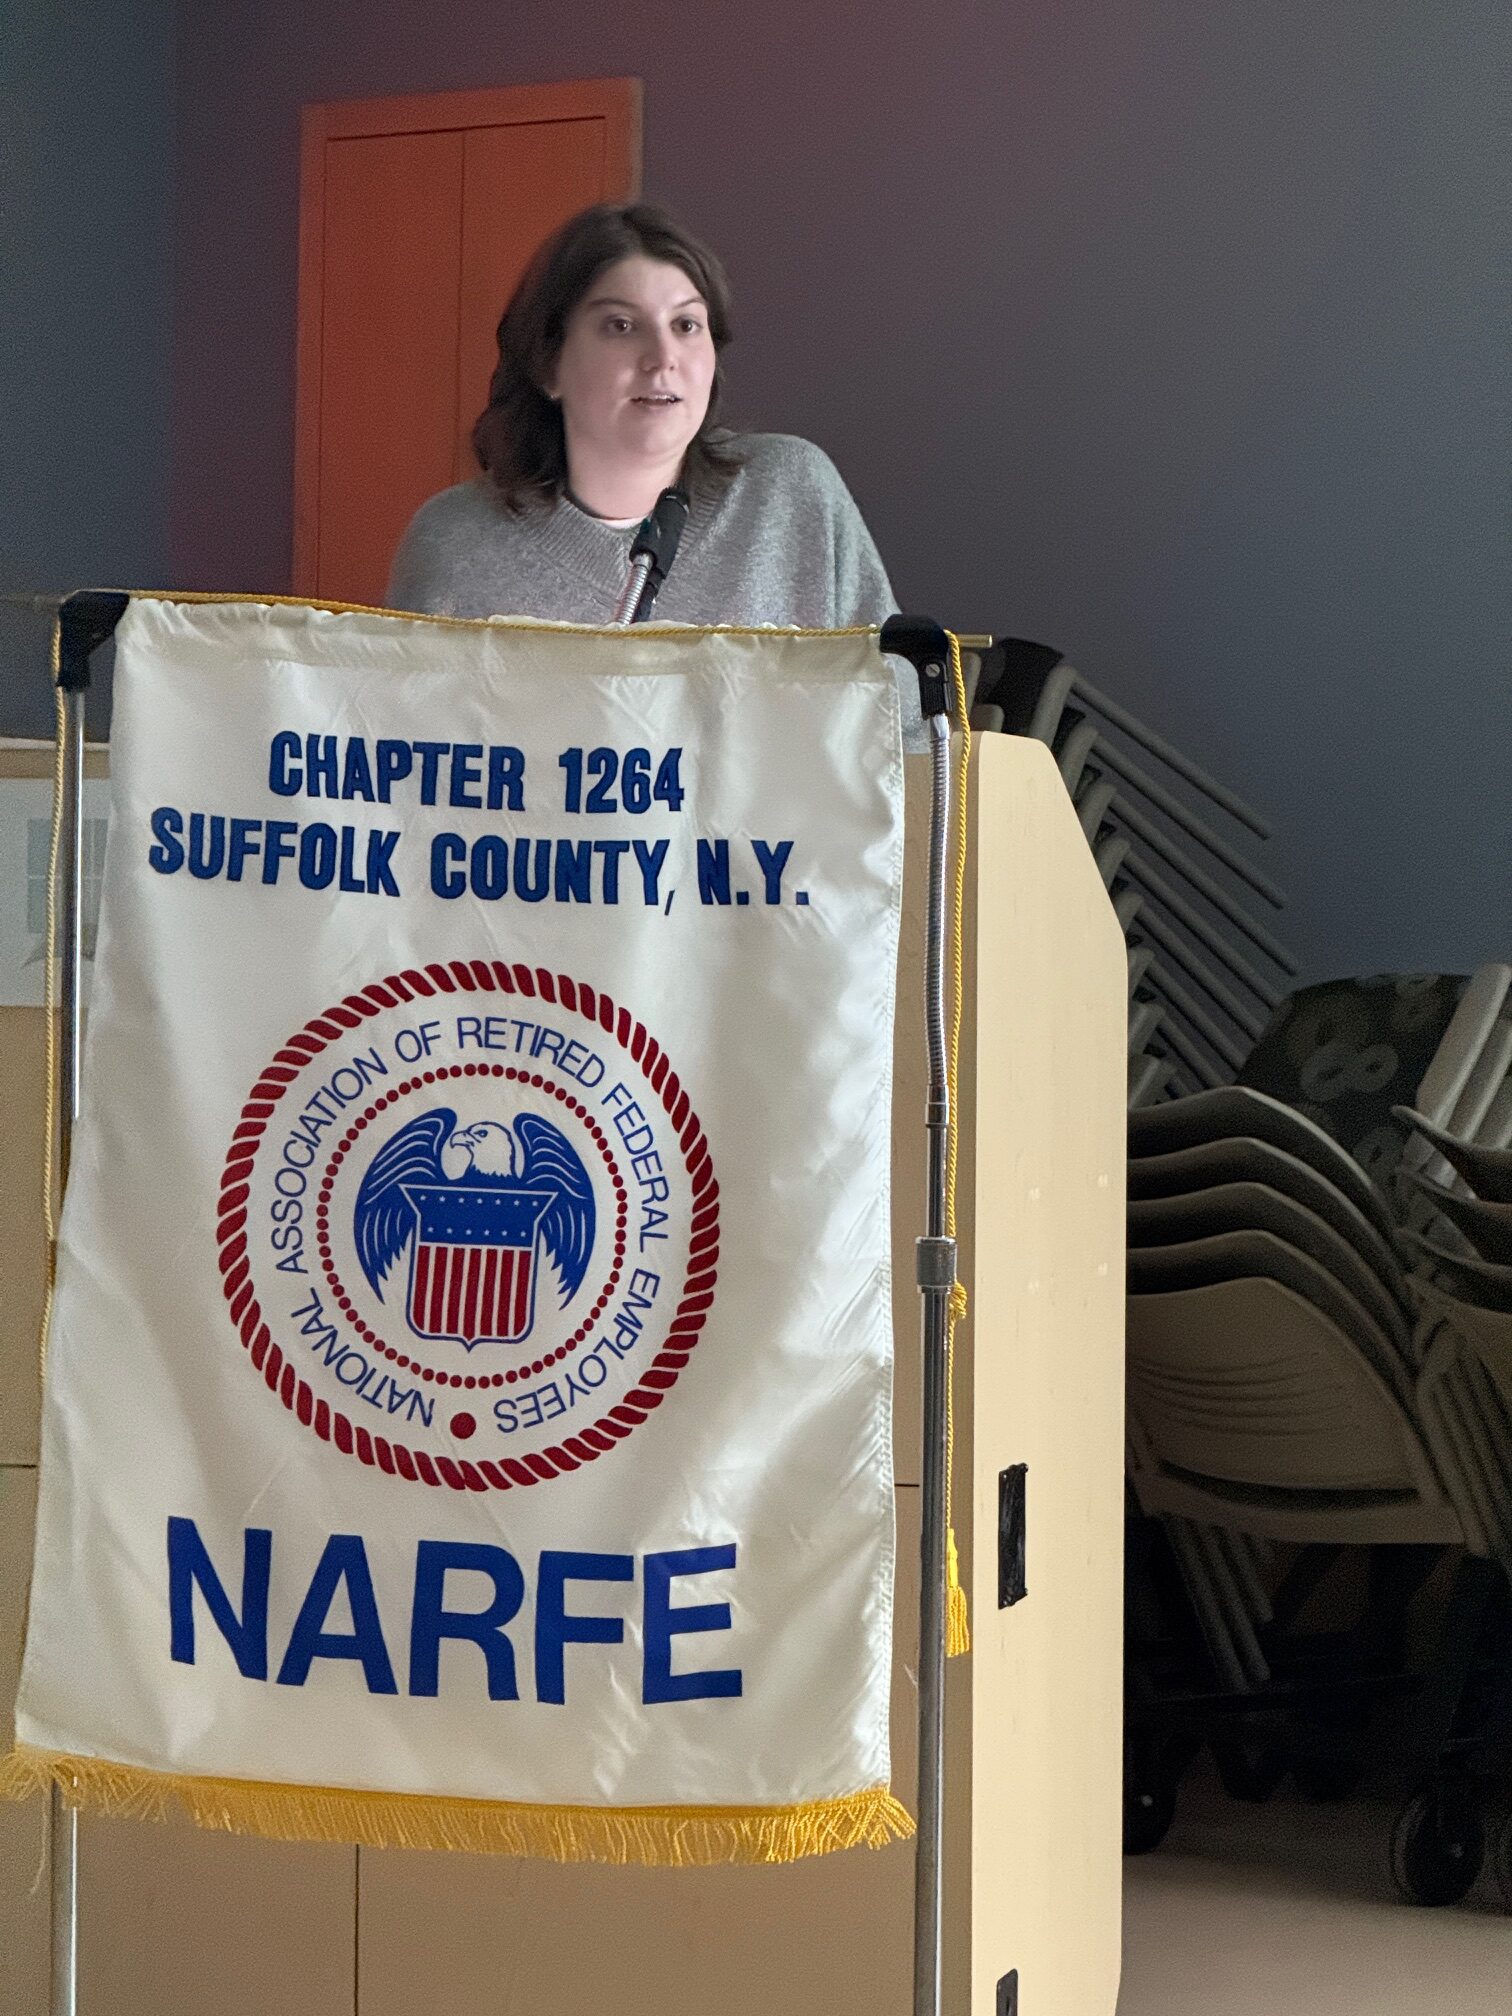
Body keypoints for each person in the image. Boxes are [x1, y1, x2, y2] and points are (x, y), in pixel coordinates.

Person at [386, 202, 921, 742]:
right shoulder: (454, 543)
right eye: (621, 326)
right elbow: (401, 769)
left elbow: (904, 735)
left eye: (687, 324)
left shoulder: (793, 492)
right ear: (549, 363)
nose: (662, 356)